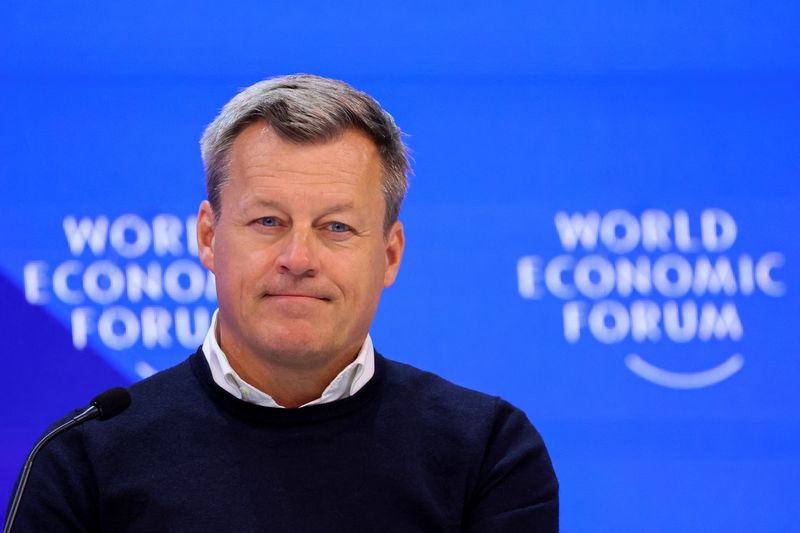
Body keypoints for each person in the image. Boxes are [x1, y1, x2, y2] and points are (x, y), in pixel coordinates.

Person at [8, 74, 558, 531]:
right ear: (207, 236)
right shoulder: (84, 459)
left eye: (336, 227)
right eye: (268, 221)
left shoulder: (486, 452)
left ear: (390, 255)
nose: (298, 256)